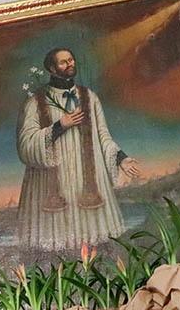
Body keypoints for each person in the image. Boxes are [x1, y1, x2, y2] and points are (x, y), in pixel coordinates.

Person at [16, 47, 141, 251]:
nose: (70, 64)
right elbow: (26, 144)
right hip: (55, 182)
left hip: (87, 179)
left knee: (94, 245)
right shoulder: (35, 102)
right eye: (63, 62)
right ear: (51, 68)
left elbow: (103, 136)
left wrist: (122, 159)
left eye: (71, 59)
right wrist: (60, 125)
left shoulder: (89, 97)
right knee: (59, 247)